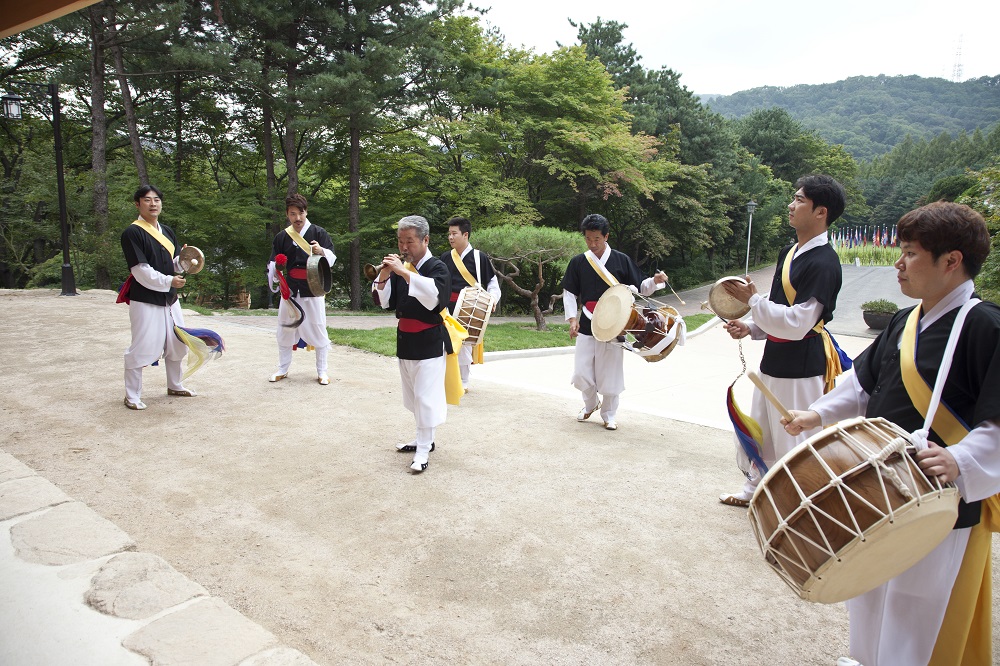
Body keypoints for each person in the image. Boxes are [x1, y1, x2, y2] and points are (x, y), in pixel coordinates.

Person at [783, 202, 1000, 666]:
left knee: (916, 605)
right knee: (870, 588)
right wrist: (816, 415)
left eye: (909, 253)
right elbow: (861, 385)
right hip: (879, 488)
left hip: (940, 497)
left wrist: (961, 459)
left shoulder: (986, 326)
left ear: (952, 261)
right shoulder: (904, 322)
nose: (898, 264)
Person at [719, 174, 847, 507]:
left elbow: (799, 324)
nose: (791, 205)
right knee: (763, 430)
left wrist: (753, 302)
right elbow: (776, 309)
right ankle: (754, 489)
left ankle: (796, 501)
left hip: (803, 364)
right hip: (774, 359)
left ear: (821, 212)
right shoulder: (789, 252)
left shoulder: (825, 263)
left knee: (796, 435)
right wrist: (750, 327)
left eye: (800, 200)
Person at [561, 213, 668, 431]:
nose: (592, 244)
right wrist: (572, 319)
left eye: (597, 239)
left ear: (606, 236)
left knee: (610, 372)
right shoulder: (579, 262)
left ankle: (609, 413)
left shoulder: (621, 260)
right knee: (581, 372)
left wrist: (655, 282)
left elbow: (640, 287)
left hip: (614, 322)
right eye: (588, 239)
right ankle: (590, 404)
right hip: (587, 320)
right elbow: (569, 293)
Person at [372, 216, 453, 474]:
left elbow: (434, 299)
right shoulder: (401, 268)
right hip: (405, 340)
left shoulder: (438, 267)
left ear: (425, 240)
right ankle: (422, 439)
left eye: (410, 241)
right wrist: (384, 276)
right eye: (400, 241)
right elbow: (385, 302)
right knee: (413, 397)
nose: (404, 246)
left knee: (425, 397)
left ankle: (423, 450)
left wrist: (403, 272)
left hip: (429, 341)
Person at [119, 185, 195, 410]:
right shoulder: (132, 233)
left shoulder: (168, 231)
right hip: (146, 298)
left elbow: (171, 263)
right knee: (143, 346)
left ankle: (175, 384)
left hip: (170, 299)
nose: (153, 204)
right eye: (147, 200)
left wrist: (185, 262)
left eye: (156, 200)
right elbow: (140, 270)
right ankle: (132, 395)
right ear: (137, 204)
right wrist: (168, 281)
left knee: (177, 343)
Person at [267, 193, 337, 385]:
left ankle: (322, 371)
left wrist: (321, 251)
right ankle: (282, 369)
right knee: (285, 328)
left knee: (318, 327)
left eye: (301, 213)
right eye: (292, 214)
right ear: (287, 215)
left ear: (306, 212)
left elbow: (331, 259)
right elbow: (272, 264)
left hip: (313, 289)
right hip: (289, 291)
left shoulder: (319, 233)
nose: (297, 218)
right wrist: (277, 267)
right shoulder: (282, 237)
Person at [439, 216, 501, 392]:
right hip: (447, 307)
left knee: (464, 345)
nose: (450, 237)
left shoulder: (479, 257)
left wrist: (491, 301)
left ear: (465, 234)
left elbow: (493, 284)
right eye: (449, 234)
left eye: (454, 233)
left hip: (469, 307)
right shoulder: (445, 257)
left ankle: (463, 381)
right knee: (445, 344)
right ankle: (446, 379)